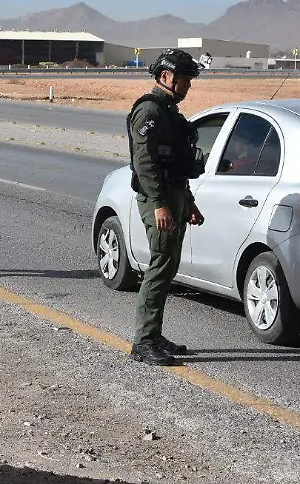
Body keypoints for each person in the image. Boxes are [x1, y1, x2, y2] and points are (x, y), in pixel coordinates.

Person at [126, 49, 205, 366]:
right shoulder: (149, 111)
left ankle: (154, 335)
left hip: (173, 196)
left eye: (189, 80)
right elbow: (145, 163)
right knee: (160, 265)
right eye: (183, 79)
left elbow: (175, 164)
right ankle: (144, 342)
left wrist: (189, 202)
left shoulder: (170, 112)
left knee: (168, 265)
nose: (187, 85)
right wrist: (160, 205)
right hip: (157, 199)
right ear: (165, 77)